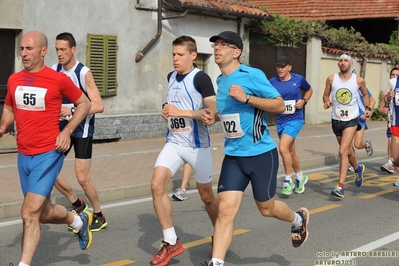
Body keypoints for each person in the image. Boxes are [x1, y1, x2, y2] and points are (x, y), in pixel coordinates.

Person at [202, 31, 309, 266]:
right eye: (215, 45)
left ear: (236, 52)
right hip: (233, 156)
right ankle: (216, 262)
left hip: (261, 154)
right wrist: (215, 117)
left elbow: (279, 104)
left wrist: (247, 98)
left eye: (223, 45)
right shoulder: (220, 80)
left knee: (266, 208)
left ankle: (297, 218)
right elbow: (229, 112)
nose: (217, 48)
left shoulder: (252, 75)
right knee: (225, 212)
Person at [0, 30, 92, 266]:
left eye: (29, 49)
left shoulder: (57, 79)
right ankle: (78, 221)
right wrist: (2, 127)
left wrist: (67, 130)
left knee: (28, 213)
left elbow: (84, 103)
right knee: (42, 213)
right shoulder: (14, 79)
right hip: (23, 155)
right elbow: (10, 108)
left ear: (43, 51)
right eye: (21, 48)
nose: (23, 53)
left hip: (48, 153)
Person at [150, 35, 218, 266]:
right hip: (174, 143)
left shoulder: (201, 78)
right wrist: (166, 111)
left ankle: (219, 233)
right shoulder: (171, 77)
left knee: (206, 196)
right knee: (157, 184)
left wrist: (182, 113)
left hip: (198, 146)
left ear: (193, 56)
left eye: (180, 55)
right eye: (173, 54)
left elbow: (212, 112)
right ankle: (171, 241)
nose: (175, 59)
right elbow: (172, 104)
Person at [52, 32, 107, 232]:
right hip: (63, 129)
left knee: (82, 178)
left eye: (63, 50)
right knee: (50, 171)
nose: (59, 54)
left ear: (73, 50)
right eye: (56, 49)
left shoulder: (83, 72)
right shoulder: (54, 69)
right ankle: (77, 204)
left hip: (82, 130)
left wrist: (72, 110)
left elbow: (99, 105)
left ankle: (99, 215)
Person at [323, 52, 371, 198]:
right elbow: (325, 95)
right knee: (348, 150)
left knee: (343, 150)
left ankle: (340, 186)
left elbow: (365, 95)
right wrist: (326, 101)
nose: (343, 62)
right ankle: (358, 169)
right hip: (336, 119)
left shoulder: (359, 80)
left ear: (351, 64)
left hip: (351, 119)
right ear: (338, 63)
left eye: (346, 60)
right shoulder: (331, 78)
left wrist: (368, 108)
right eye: (341, 60)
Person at [269, 56, 313, 196]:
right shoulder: (272, 81)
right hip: (281, 120)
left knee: (282, 148)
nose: (280, 69)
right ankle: (300, 177)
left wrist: (304, 101)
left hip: (295, 119)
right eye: (278, 66)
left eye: (283, 66)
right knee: (290, 152)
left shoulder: (298, 79)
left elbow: (309, 90)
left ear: (289, 67)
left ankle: (288, 180)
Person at [378, 67, 399, 174]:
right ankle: (391, 163)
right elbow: (383, 106)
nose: (395, 76)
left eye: (397, 74)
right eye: (393, 74)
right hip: (393, 123)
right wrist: (388, 100)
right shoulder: (391, 86)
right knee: (395, 155)